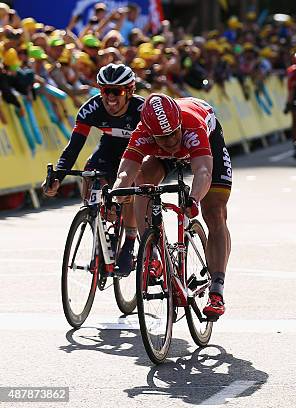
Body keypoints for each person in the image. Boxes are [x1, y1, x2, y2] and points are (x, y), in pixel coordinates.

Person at [111, 93, 232, 319]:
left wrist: (194, 199)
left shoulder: (192, 125)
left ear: (179, 124)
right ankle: (152, 248)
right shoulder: (143, 132)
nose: (170, 140)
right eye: (162, 137)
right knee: (142, 181)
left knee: (215, 212)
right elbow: (126, 172)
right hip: (162, 156)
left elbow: (204, 172)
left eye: (173, 133)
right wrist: (116, 195)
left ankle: (217, 290)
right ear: (150, 132)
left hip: (207, 146)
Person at [42, 63, 143, 276]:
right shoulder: (91, 108)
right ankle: (104, 222)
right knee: (89, 177)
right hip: (108, 148)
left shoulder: (141, 110)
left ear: (130, 92)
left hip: (136, 152)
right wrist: (58, 176)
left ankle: (130, 243)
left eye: (117, 91)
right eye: (105, 91)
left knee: (128, 190)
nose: (110, 97)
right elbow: (73, 147)